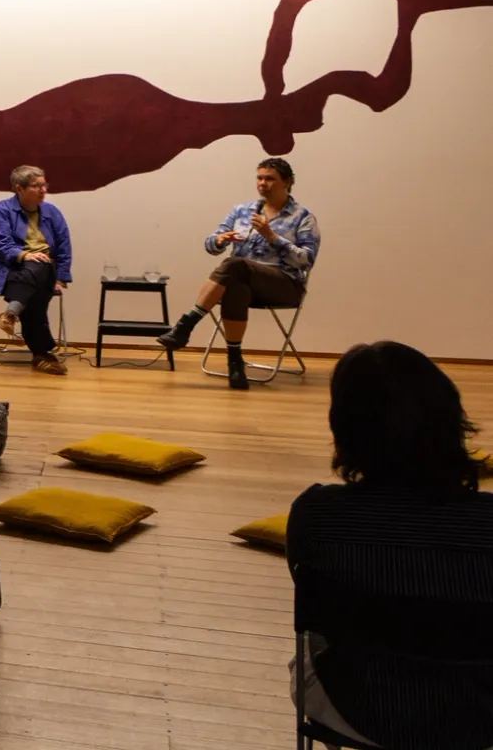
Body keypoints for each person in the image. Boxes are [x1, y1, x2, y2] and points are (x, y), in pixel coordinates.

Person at [287, 341, 493, 749]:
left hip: (358, 709)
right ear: (451, 418)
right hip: (482, 717)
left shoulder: (316, 514)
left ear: (343, 427)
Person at [157, 157, 321, 389]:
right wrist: (220, 240)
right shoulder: (242, 211)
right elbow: (210, 244)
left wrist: (272, 236)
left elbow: (306, 261)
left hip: (284, 285)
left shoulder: (302, 217)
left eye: (270, 179)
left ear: (287, 182)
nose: (263, 183)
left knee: (235, 265)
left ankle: (187, 324)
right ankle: (235, 364)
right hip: (244, 282)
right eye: (260, 178)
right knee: (235, 283)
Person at [0, 164, 73, 376]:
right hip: (9, 269)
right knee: (36, 289)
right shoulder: (2, 210)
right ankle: (42, 353)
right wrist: (23, 255)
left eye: (43, 185)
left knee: (41, 264)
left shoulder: (52, 212)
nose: (43, 190)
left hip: (45, 270)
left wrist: (62, 277)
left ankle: (11, 313)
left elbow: (64, 246)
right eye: (35, 186)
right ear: (19, 189)